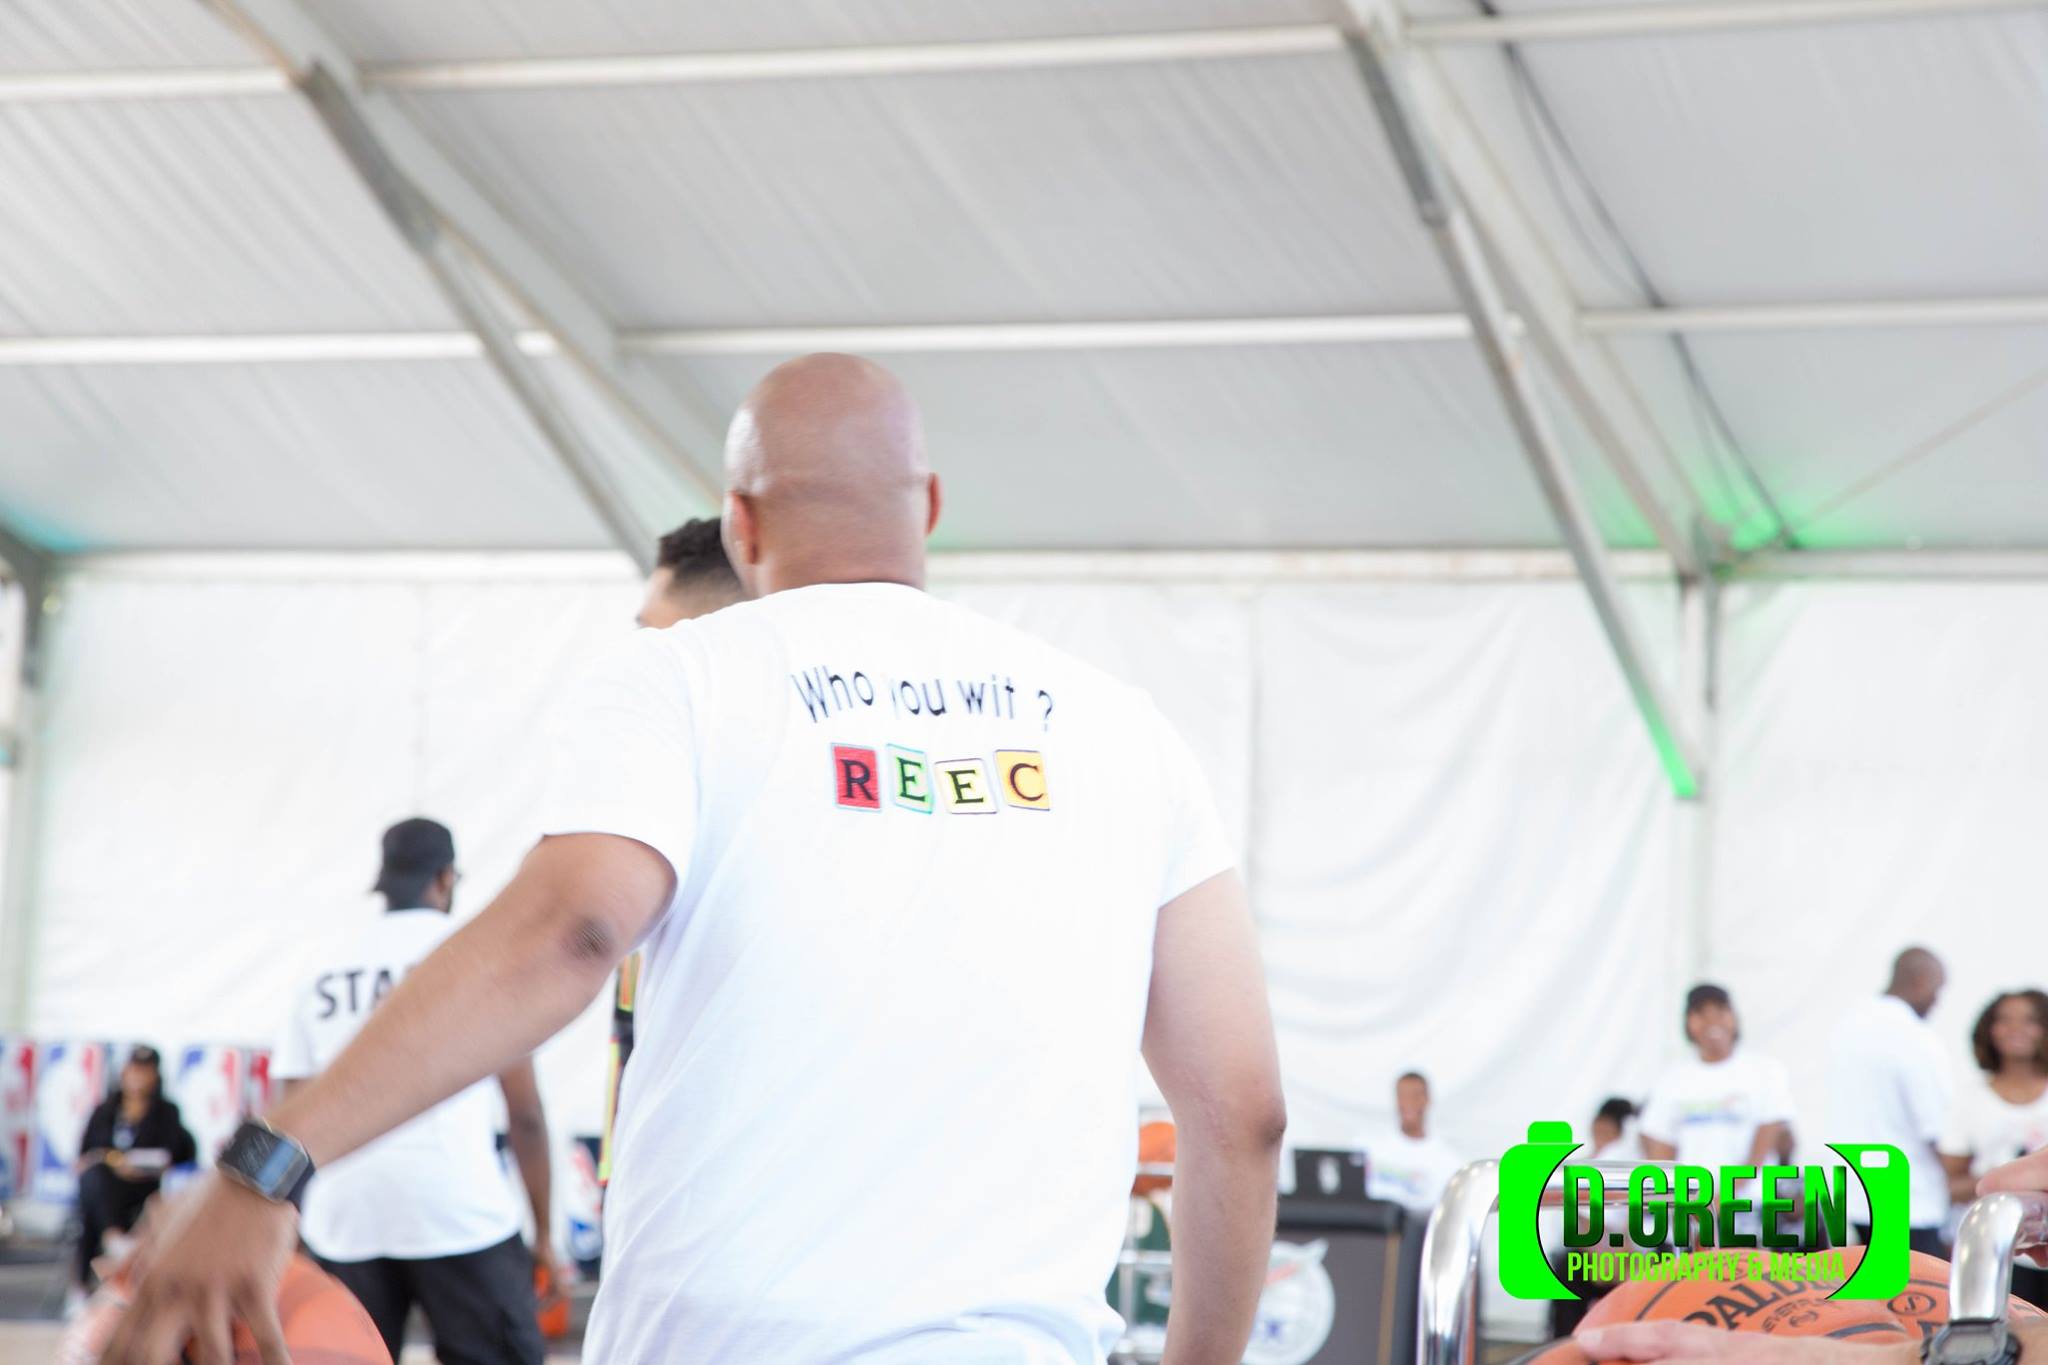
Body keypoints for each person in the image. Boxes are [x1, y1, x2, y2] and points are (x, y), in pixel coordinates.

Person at [106, 353, 1287, 1365]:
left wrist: (266, 1165)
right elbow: (1239, 1116)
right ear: (927, 506)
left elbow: (569, 931)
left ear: (741, 524)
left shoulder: (691, 680)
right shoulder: (1125, 733)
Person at [270, 818, 555, 1365]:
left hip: (346, 1218)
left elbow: (290, 1114)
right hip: (458, 1211)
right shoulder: (479, 957)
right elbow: (526, 1116)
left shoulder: (321, 969)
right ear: (445, 879)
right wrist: (543, 1233)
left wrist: (288, 1226)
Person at [602, 518, 744, 1191]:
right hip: (654, 1181)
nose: (639, 656)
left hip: (715, 1190)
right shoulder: (663, 799)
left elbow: (573, 935)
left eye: (654, 634)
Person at [1639, 984, 1793, 1245]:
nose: (1712, 1021)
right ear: (1689, 1023)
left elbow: (1760, 1151)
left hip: (1749, 1210)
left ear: (1733, 1017)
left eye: (1720, 1011)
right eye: (1701, 1013)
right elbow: (1660, 1153)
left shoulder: (1766, 1072)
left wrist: (1716, 1202)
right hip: (1690, 1214)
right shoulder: (1671, 1080)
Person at [1824, 947, 1951, 1254]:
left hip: (1851, 1193)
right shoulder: (1916, 1037)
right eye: (1937, 989)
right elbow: (1938, 1128)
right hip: (1908, 1199)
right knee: (1916, 1285)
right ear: (1920, 980)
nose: (1936, 1001)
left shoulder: (1846, 1027)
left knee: (1867, 1283)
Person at [1940, 989, 2048, 1306]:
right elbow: (1951, 1184)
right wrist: (2004, 1181)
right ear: (1990, 1029)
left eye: (2029, 1020)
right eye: (2005, 1020)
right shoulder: (1969, 1099)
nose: (2016, 1029)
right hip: (1999, 1254)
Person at [73, 1046, 195, 1299]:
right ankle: (111, 1243)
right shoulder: (105, 1111)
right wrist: (111, 1160)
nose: (138, 1077)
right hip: (105, 1186)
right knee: (95, 1183)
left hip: (143, 1186)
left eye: (145, 1071)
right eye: (134, 1070)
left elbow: (176, 1152)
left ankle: (103, 1261)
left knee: (96, 1195)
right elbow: (85, 1154)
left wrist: (136, 1165)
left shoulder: (166, 1112)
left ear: (155, 1076)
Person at [1365, 1072, 1463, 1218]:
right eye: (1402, 1096)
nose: (1408, 1102)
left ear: (1427, 1100)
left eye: (1415, 1096)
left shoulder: (1448, 1163)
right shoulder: (1369, 1150)